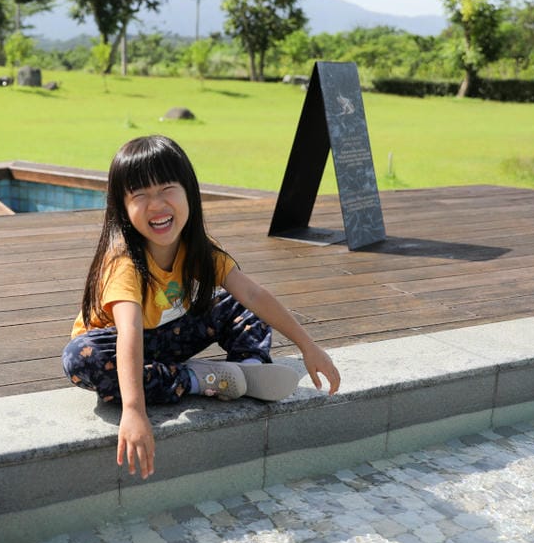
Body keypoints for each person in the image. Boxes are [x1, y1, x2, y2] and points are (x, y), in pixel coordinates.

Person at [63, 135, 341, 481]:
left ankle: (248, 369)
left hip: (169, 335)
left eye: (167, 188)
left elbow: (254, 295)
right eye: (140, 195)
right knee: (79, 357)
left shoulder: (197, 248)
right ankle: (195, 378)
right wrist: (134, 411)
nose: (156, 205)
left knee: (239, 302)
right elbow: (129, 333)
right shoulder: (124, 262)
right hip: (117, 346)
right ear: (122, 207)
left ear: (189, 192)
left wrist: (308, 346)